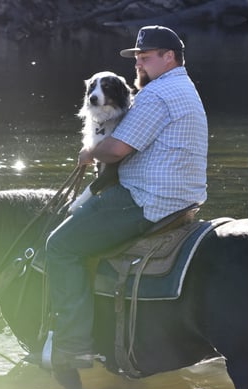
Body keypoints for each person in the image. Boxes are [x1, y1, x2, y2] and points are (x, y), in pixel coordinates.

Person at [37, 25, 208, 369]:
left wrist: (89, 154)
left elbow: (115, 150)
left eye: (146, 57)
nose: (139, 64)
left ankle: (72, 346)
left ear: (169, 57)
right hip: (183, 197)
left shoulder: (157, 94)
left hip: (147, 199)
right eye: (137, 58)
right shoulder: (185, 87)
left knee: (60, 246)